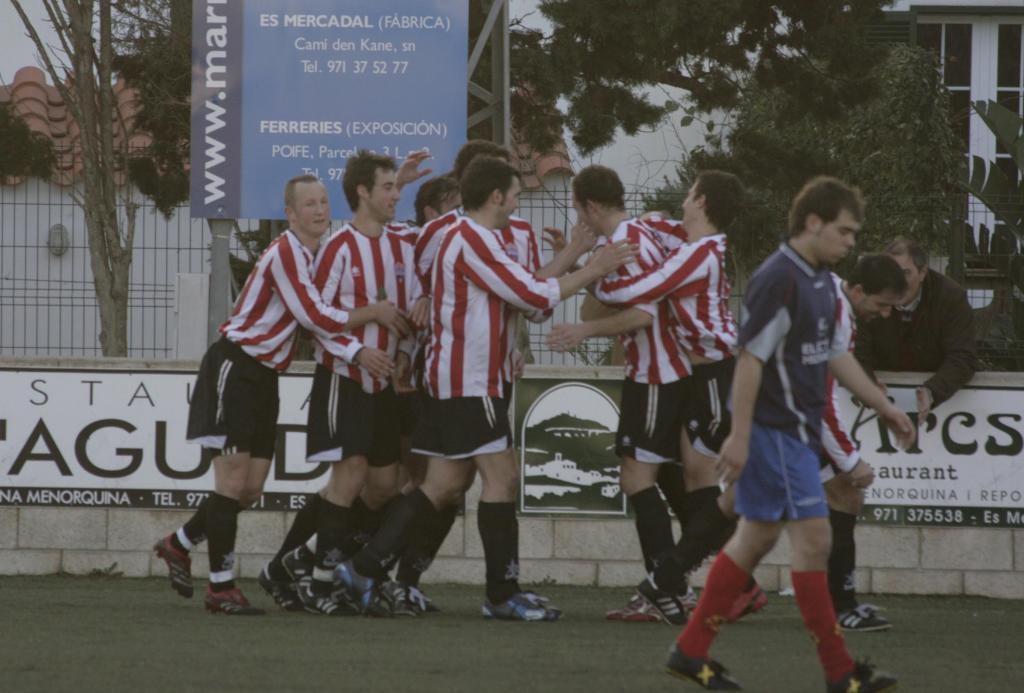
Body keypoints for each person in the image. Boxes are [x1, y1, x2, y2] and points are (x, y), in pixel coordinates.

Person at [333, 156, 638, 620]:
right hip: (468, 381)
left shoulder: (480, 238)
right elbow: (535, 296)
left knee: (442, 483)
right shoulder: (469, 239)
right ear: (495, 197)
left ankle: (364, 566)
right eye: (515, 195)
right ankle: (501, 593)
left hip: (462, 379)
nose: (518, 202)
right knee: (502, 479)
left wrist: (575, 264)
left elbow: (530, 298)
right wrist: (594, 266)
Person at [665, 176, 913, 692]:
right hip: (774, 433)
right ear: (814, 222)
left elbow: (833, 355)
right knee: (813, 540)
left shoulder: (821, 281)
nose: (851, 241)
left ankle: (691, 651)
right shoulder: (779, 278)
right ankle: (839, 673)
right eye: (845, 231)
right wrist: (740, 433)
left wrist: (883, 404)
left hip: (794, 435)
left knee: (754, 540)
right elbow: (750, 359)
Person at [152, 174, 405, 614]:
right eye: (308, 204)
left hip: (267, 376)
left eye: (324, 202)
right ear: (290, 213)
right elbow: (314, 316)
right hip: (236, 366)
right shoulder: (287, 251)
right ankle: (221, 588)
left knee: (249, 490)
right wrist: (372, 316)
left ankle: (179, 543)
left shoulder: (318, 253)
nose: (319, 210)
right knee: (231, 484)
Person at [554, 170, 745, 625]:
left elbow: (642, 307)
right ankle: (725, 583)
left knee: (640, 479)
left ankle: (671, 587)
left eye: (579, 209)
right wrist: (586, 262)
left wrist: (588, 276)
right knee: (688, 479)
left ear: (590, 207)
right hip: (681, 373)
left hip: (660, 374)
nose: (685, 198)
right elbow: (661, 243)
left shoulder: (651, 243)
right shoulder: (652, 230)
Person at [258, 152, 418, 616]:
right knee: (348, 477)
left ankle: (296, 560)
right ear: (363, 192)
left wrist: (405, 352)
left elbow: (406, 311)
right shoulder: (338, 247)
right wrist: (359, 348)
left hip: (384, 382)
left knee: (384, 486)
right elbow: (317, 320)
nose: (394, 196)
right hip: (344, 376)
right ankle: (323, 582)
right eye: (387, 187)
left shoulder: (399, 245)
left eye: (396, 188)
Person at [819, 254, 907, 632]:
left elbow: (842, 370)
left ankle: (840, 603)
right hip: (778, 416)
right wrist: (851, 460)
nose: (886, 314)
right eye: (881, 304)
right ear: (857, 290)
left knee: (844, 496)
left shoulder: (836, 300)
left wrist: (881, 405)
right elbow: (818, 398)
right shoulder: (830, 312)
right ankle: (665, 582)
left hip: (783, 412)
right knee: (746, 519)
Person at [855, 237, 978, 423]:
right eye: (891, 273)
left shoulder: (951, 298)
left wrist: (932, 391)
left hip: (939, 402)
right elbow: (855, 349)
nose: (897, 282)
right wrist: (866, 384)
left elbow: (963, 356)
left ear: (922, 272)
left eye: (905, 273)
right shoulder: (869, 297)